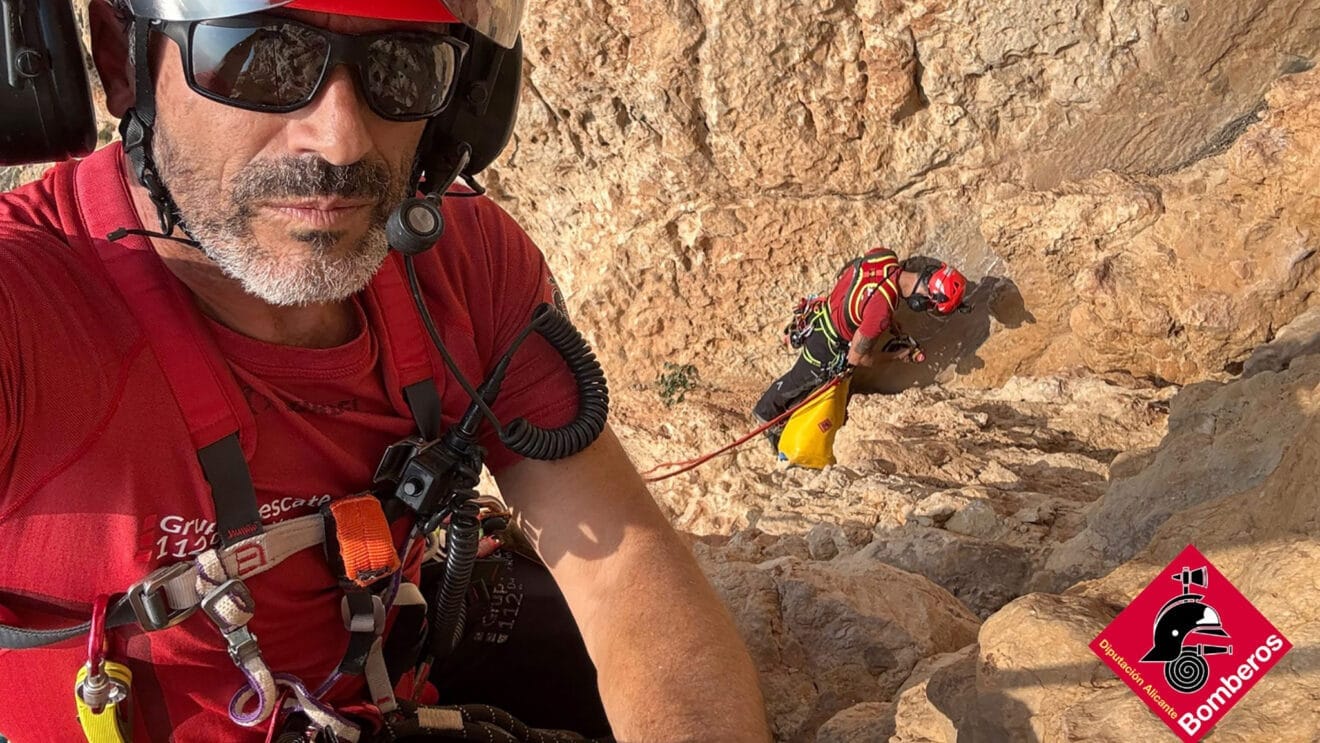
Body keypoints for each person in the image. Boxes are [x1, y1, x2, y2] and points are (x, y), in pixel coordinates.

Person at [0, 1, 769, 741]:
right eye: (264, 58)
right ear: (118, 52)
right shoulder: (28, 304)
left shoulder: (463, 264)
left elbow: (623, 572)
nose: (341, 142)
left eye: (401, 66)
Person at [753, 248, 968, 449]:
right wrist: (896, 355)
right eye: (930, 305)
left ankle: (776, 413)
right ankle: (766, 414)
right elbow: (857, 358)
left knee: (803, 380)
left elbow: (850, 274)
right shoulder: (880, 313)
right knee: (801, 381)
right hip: (826, 344)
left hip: (821, 317)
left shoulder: (885, 257)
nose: (927, 307)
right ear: (926, 298)